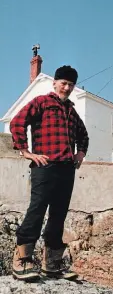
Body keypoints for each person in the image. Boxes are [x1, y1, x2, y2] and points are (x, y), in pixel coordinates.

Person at [10, 65, 89, 282]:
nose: (67, 87)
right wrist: (26, 152)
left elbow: (84, 136)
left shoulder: (72, 111)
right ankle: (22, 260)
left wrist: (80, 153)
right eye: (63, 83)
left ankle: (51, 264)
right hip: (44, 167)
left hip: (67, 169)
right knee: (36, 210)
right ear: (54, 83)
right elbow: (17, 122)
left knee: (58, 215)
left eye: (71, 85)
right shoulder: (41, 102)